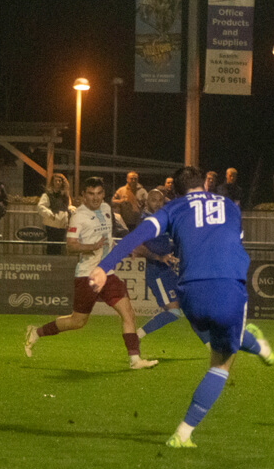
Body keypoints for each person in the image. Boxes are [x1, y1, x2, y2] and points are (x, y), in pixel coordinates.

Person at [88, 166, 256, 447]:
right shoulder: (229, 205)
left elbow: (134, 237)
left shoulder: (173, 208)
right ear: (205, 182)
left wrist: (104, 266)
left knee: (190, 317)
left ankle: (259, 347)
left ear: (174, 192)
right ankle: (183, 433)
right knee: (223, 362)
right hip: (227, 287)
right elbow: (234, 240)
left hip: (190, 291)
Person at [22, 177, 158, 370]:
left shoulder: (106, 209)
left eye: (99, 194)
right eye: (91, 194)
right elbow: (70, 245)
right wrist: (90, 246)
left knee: (128, 313)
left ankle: (135, 360)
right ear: (83, 195)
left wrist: (126, 249)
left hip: (108, 273)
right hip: (88, 275)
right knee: (78, 321)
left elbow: (108, 239)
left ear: (104, 194)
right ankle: (36, 332)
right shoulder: (79, 216)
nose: (95, 198)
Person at [130, 188, 274, 364]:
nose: (157, 203)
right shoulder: (147, 222)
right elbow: (137, 247)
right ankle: (137, 335)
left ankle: (211, 346)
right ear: (147, 202)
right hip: (156, 272)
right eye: (153, 200)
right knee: (174, 311)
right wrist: (159, 257)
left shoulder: (167, 221)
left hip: (169, 272)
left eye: (159, 200)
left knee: (191, 310)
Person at [38, 173, 74, 255]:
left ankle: (57, 264)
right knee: (51, 245)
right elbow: (41, 206)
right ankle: (50, 263)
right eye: (56, 181)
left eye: (60, 181)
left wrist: (72, 211)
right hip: (51, 223)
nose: (58, 182)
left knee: (59, 245)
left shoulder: (65, 196)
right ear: (53, 182)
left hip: (62, 224)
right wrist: (50, 215)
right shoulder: (47, 195)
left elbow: (68, 206)